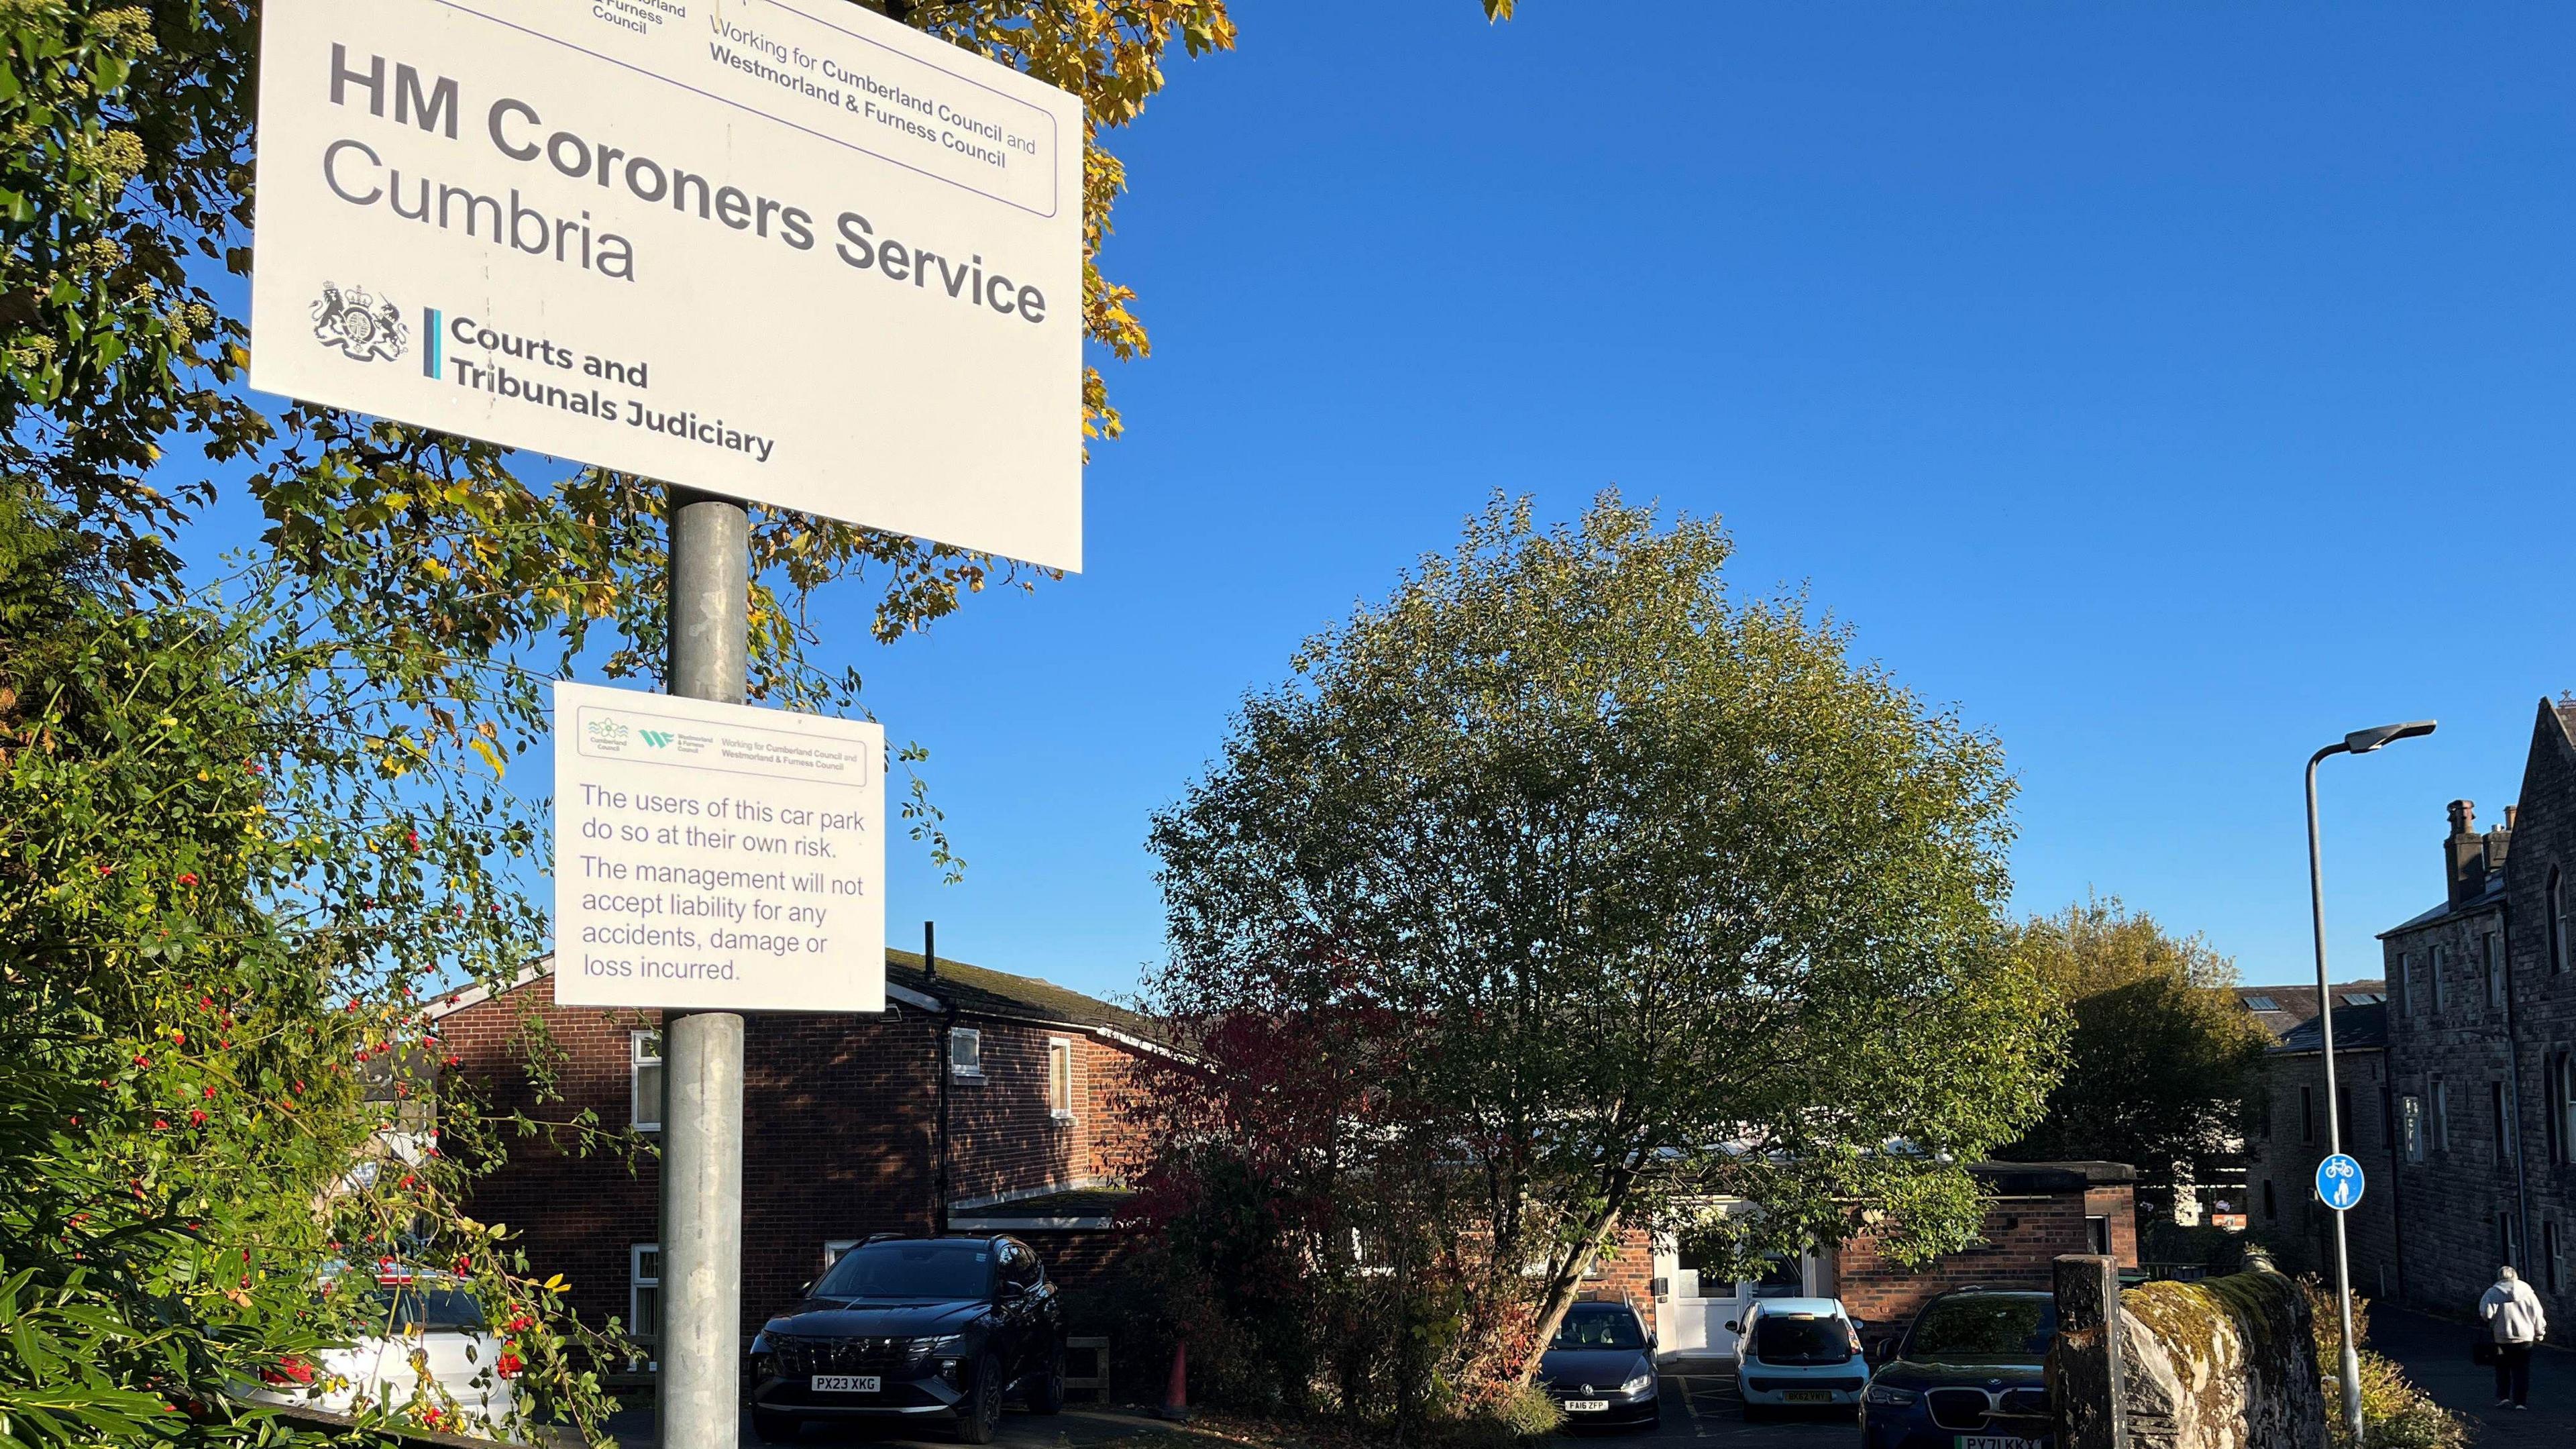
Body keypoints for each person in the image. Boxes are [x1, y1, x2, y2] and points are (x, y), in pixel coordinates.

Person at [2480, 1265, 2548, 1409]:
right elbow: (2537, 1314)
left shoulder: (2492, 1293)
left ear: (2500, 1277)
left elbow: (2487, 1314)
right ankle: (2520, 1402)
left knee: (2502, 1368)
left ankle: (2504, 1398)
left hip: (2501, 1337)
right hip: (2525, 1337)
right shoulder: (2528, 1292)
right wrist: (2540, 1332)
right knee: (2521, 1369)